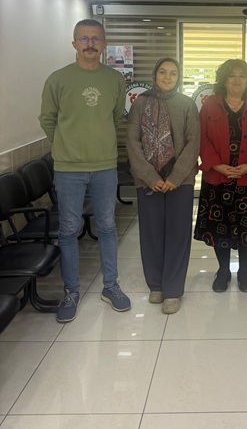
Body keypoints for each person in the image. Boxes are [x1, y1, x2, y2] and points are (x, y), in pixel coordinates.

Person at [39, 19, 131, 322]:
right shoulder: (58, 79)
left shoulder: (115, 79)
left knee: (107, 227)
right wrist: (64, 146)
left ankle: (110, 286)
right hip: (68, 168)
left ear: (104, 44)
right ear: (74, 44)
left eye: (95, 39)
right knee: (68, 230)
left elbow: (116, 117)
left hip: (105, 165)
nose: (90, 44)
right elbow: (47, 119)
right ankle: (71, 291)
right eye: (84, 39)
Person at [126, 58, 200, 314]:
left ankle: (173, 290)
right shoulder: (140, 104)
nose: (167, 77)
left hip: (180, 180)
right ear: (155, 74)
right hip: (148, 180)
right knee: (151, 234)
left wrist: (175, 177)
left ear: (179, 77)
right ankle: (156, 285)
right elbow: (133, 142)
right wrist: (151, 177)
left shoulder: (187, 104)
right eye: (163, 72)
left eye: (173, 73)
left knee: (178, 235)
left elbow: (193, 143)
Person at [194, 59, 247, 292]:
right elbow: (201, 138)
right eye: (232, 75)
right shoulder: (210, 106)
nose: (237, 80)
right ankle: (223, 270)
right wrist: (217, 165)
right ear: (223, 80)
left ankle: (245, 271)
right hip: (217, 179)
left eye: (242, 75)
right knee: (220, 228)